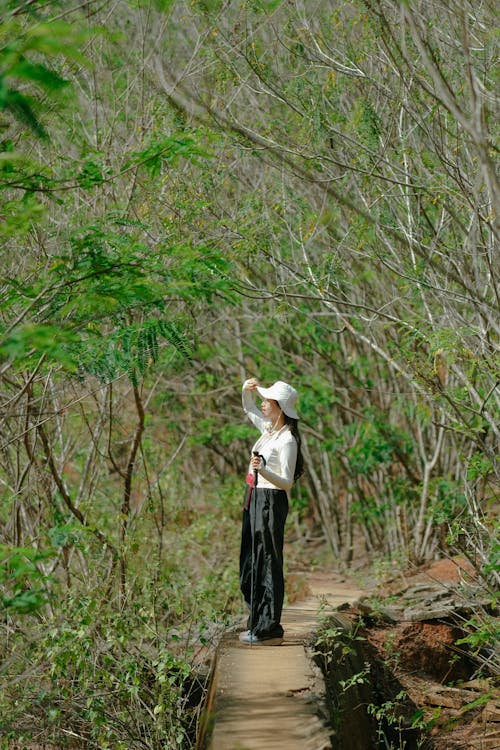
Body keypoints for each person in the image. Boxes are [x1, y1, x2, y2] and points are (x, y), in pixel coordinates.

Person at [239, 377, 304, 646]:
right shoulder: (269, 430)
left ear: (280, 407)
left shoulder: (287, 440)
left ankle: (269, 628)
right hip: (254, 497)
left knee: (268, 561)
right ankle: (257, 621)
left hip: (271, 501)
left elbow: (287, 482)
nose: (263, 404)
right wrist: (246, 390)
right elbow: (249, 409)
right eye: (264, 400)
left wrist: (263, 470)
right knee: (251, 561)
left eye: (268, 401)